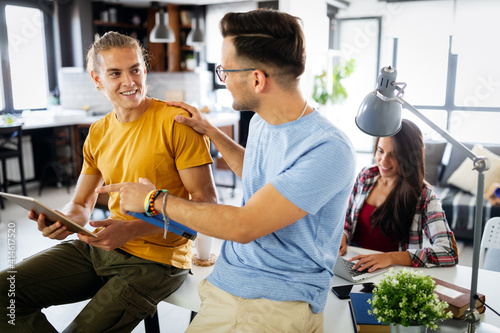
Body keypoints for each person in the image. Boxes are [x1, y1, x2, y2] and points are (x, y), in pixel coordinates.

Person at [97, 9, 356, 332]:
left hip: (274, 300)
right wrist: (212, 132)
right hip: (229, 282)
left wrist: (154, 200)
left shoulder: (329, 149)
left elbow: (244, 225)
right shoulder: (264, 121)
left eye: (225, 71)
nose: (224, 80)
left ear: (257, 79)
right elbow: (264, 176)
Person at [0, 31, 216, 332]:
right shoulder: (98, 132)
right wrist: (64, 221)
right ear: (98, 79)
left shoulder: (175, 122)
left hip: (156, 261)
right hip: (99, 249)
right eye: (115, 73)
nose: (129, 82)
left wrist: (133, 229)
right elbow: (80, 203)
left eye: (135, 70)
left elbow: (207, 206)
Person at [340, 119, 459, 272]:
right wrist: (343, 235)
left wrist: (391, 257)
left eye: (394, 155)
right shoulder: (366, 176)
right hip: (353, 260)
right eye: (381, 151)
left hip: (391, 271)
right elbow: (348, 218)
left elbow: (448, 252)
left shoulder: (424, 196)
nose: (383, 161)